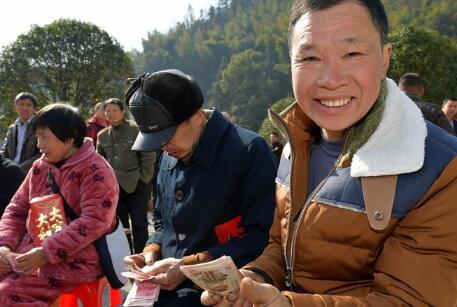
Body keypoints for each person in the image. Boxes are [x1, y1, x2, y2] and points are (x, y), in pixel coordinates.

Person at [201, 1, 457, 306]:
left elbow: (412, 300)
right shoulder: (295, 142)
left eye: (352, 54)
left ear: (385, 58)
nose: (331, 79)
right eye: (310, 57)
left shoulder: (441, 169)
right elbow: (281, 244)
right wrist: (254, 279)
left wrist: (287, 303)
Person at [123, 69, 277, 306]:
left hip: (221, 294)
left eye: (167, 136)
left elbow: (262, 236)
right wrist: (152, 252)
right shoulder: (168, 154)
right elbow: (163, 220)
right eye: (156, 141)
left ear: (197, 117)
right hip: (168, 288)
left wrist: (189, 266)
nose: (163, 147)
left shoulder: (248, 151)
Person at [0, 103, 119, 305]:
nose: (39, 144)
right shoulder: (40, 166)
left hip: (76, 260)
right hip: (28, 252)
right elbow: (16, 210)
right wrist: (4, 245)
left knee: (7, 294)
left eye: (44, 137)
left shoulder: (96, 171)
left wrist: (47, 252)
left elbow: (94, 222)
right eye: (37, 137)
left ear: (70, 137)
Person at [96, 98, 155, 254]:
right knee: (120, 225)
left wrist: (144, 181)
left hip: (136, 182)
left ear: (122, 112)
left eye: (115, 110)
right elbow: (99, 161)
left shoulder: (136, 129)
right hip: (113, 187)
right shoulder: (102, 135)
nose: (111, 114)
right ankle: (126, 256)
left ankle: (142, 256)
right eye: (107, 111)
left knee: (139, 223)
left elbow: (148, 157)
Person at [2, 92, 41, 174]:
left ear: (34, 108)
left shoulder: (39, 127)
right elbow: (5, 152)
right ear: (15, 107)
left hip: (31, 172)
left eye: (29, 105)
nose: (24, 108)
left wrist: (18, 169)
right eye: (21, 104)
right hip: (11, 172)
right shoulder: (12, 129)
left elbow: (41, 154)